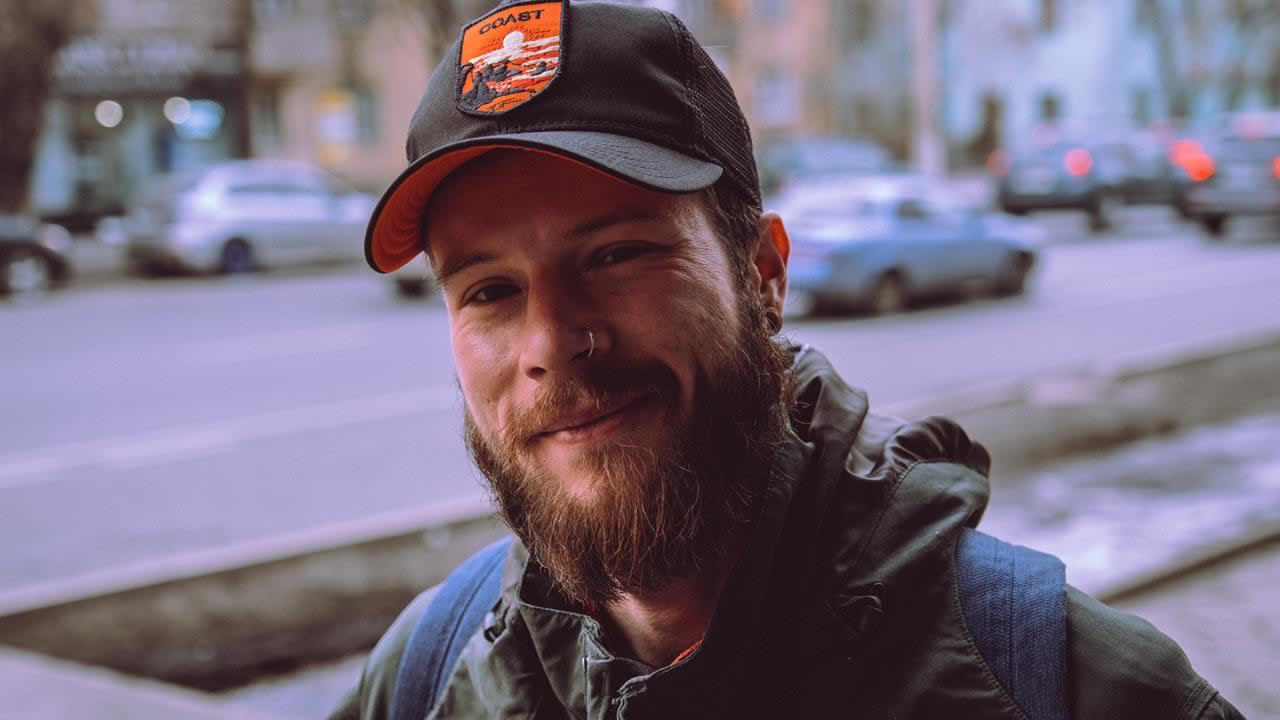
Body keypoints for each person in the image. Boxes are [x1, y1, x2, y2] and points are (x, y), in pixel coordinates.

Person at [332, 2, 1242, 718]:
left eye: (615, 254)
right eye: (489, 290)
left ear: (763, 275)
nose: (549, 344)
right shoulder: (426, 674)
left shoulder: (1061, 687)